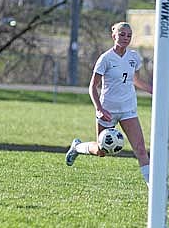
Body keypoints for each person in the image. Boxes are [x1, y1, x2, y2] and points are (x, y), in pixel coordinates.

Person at [65, 21, 160, 192]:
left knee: (140, 149)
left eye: (129, 35)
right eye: (122, 34)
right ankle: (77, 147)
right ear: (113, 35)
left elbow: (135, 80)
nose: (125, 38)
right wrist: (100, 109)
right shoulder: (105, 59)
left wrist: (154, 91)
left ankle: (153, 188)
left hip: (128, 109)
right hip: (108, 111)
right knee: (101, 151)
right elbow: (92, 87)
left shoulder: (134, 58)